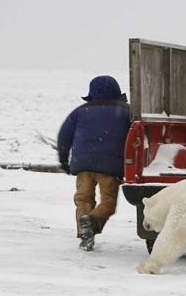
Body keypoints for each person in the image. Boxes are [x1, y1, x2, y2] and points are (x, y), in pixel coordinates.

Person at [56, 76, 131, 249]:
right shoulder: (126, 111)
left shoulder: (80, 111)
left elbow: (64, 136)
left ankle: (85, 234)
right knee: (108, 203)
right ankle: (92, 221)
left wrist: (63, 159)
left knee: (83, 200)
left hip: (83, 164)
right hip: (111, 167)